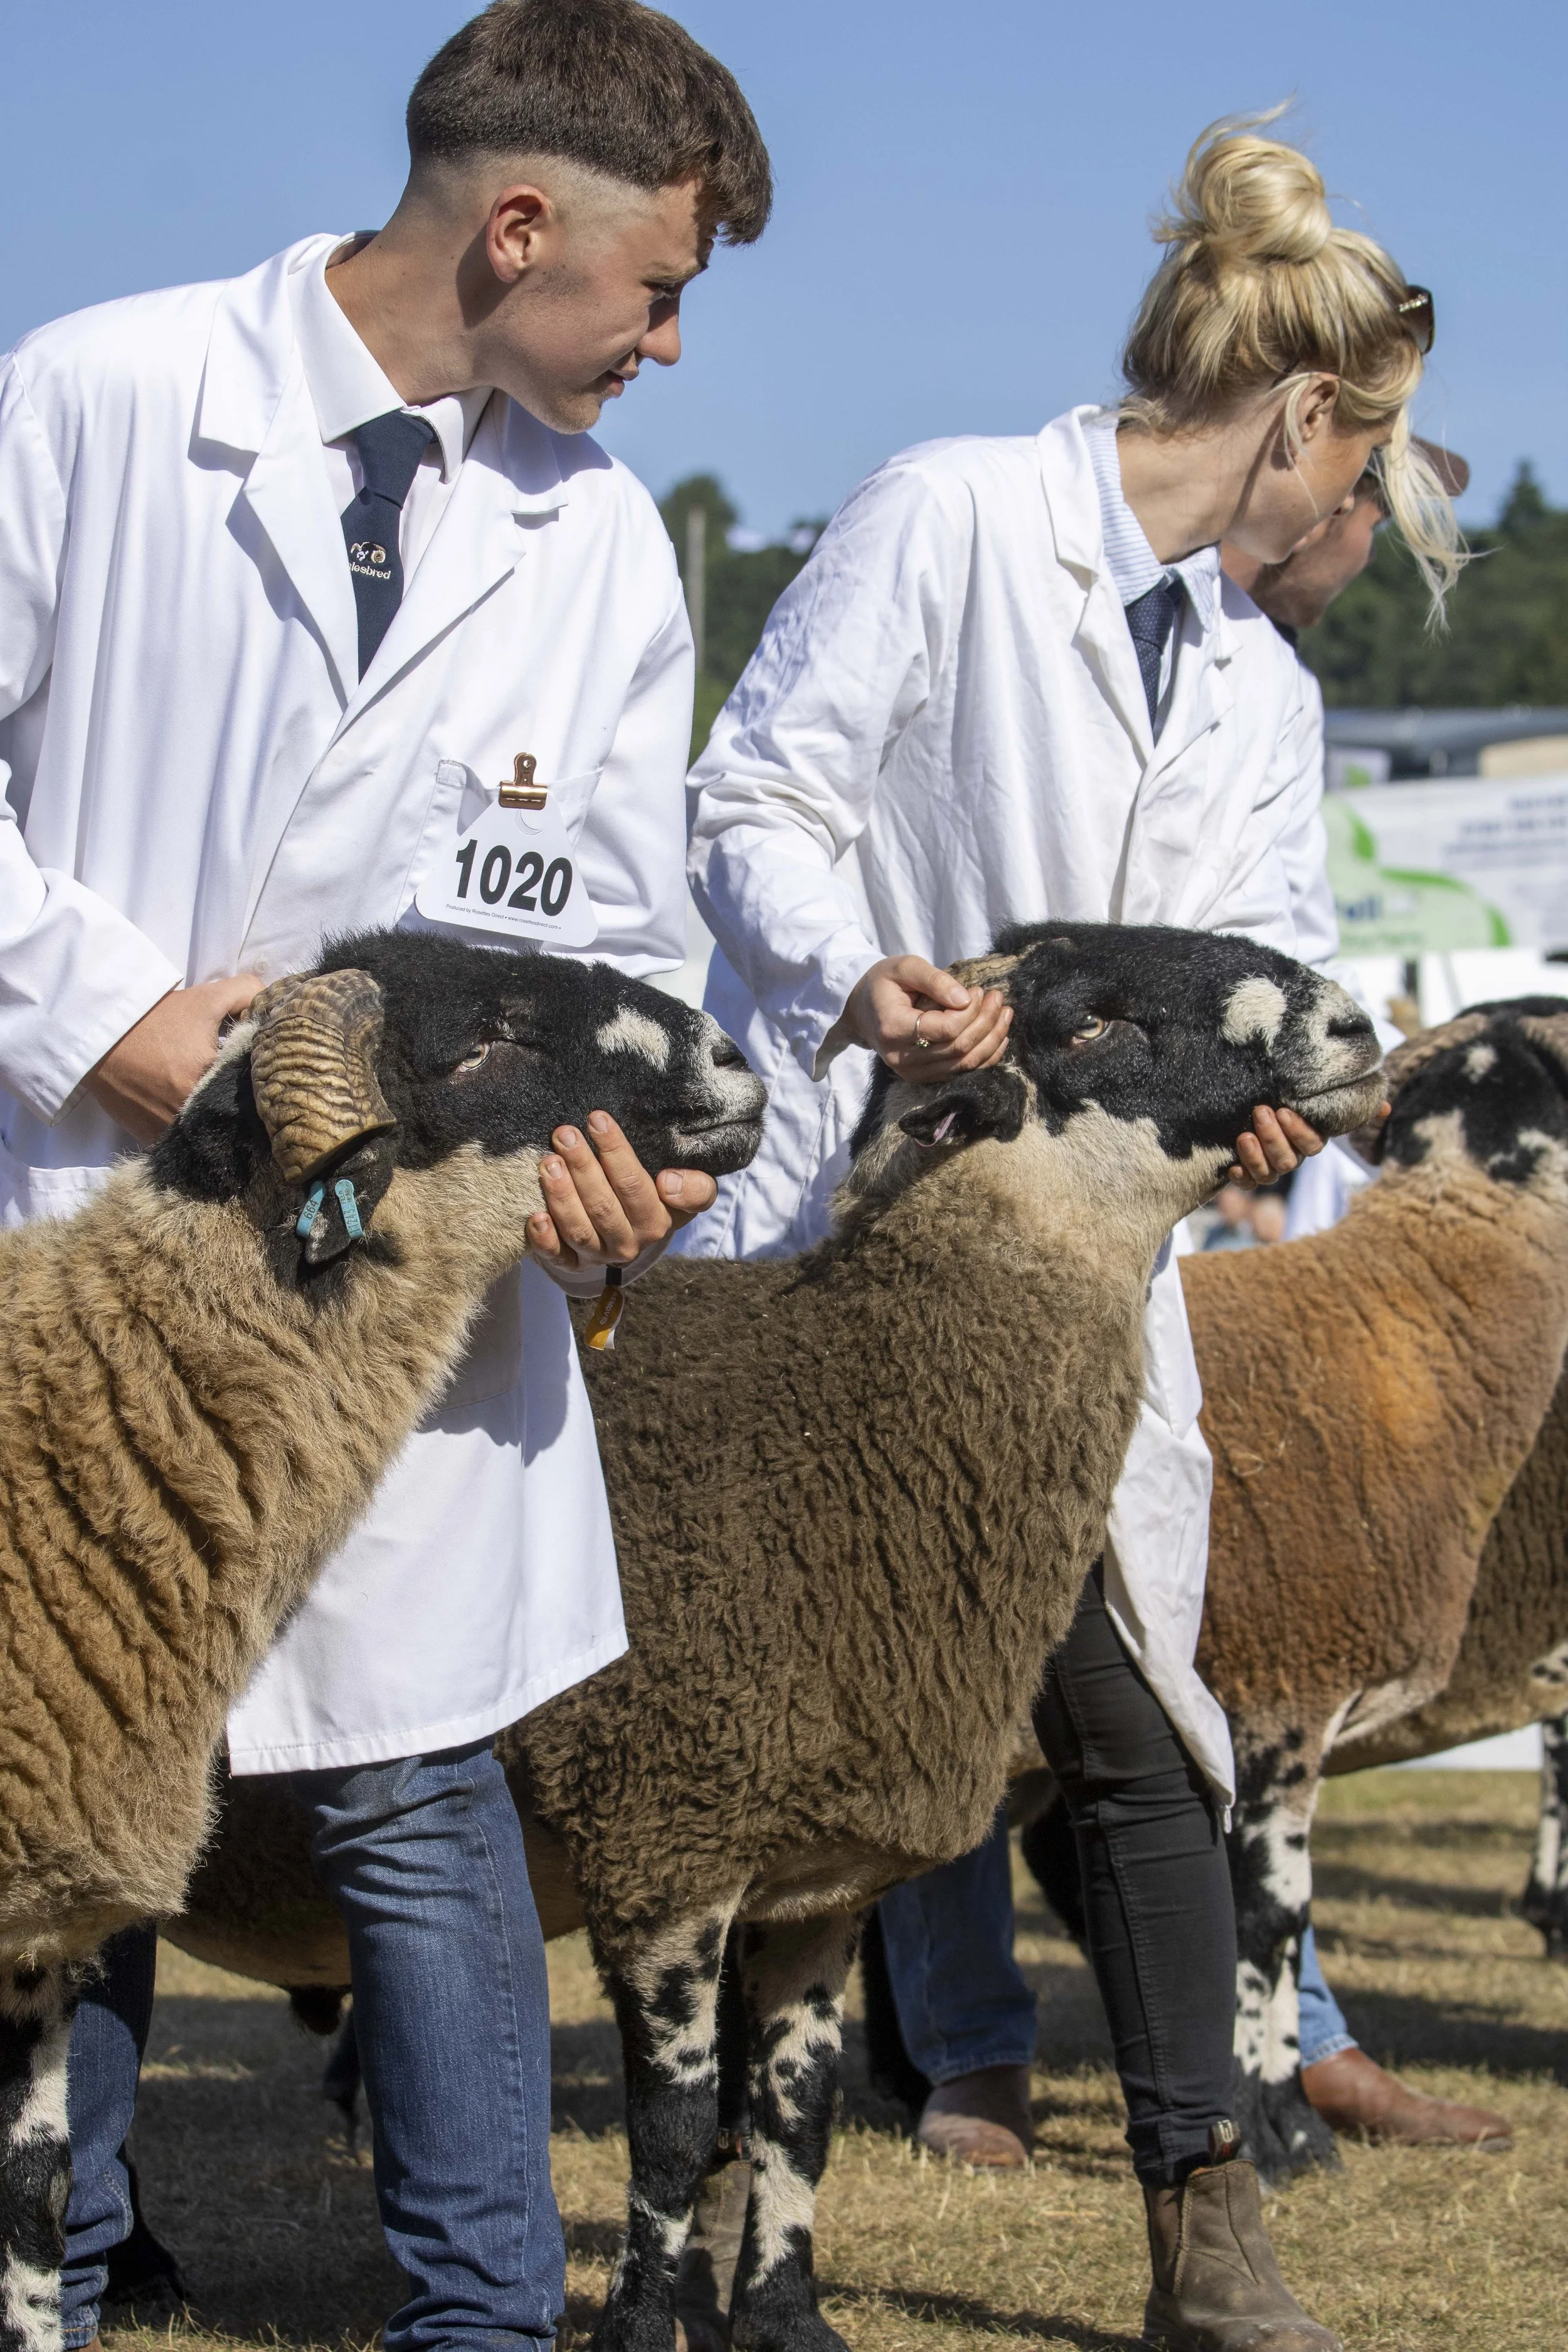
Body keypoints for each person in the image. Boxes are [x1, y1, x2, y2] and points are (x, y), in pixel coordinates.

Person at [0, 6, 771, 2347]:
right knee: (65, 1758)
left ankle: (478, 2313)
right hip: (88, 1233)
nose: (662, 346)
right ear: (514, 227)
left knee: (422, 1785)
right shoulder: (102, 400)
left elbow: (623, 925)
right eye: (653, 293)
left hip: (412, 1292)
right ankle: (67, 2254)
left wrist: (601, 1166)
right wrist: (112, 1026)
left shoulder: (602, 539)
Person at [683, 118, 1459, 2352]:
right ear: (1307, 419)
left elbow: (1277, 960)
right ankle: (758, 2235)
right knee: (819, 1747)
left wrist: (1282, 1114)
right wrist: (860, 982)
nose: (1353, 523)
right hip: (869, 1258)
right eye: (1362, 471)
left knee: (1136, 1730)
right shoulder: (946, 519)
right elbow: (760, 793)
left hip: (1101, 1295)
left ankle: (1201, 2218)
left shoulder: (1257, 687)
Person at [1227, 452, 1512, 2155]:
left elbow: (1282, 936)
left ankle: (1296, 2021)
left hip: (1233, 1194)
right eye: (1376, 528)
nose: (1373, 562)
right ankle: (963, 2043)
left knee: (1256, 1665)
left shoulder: (1266, 682)